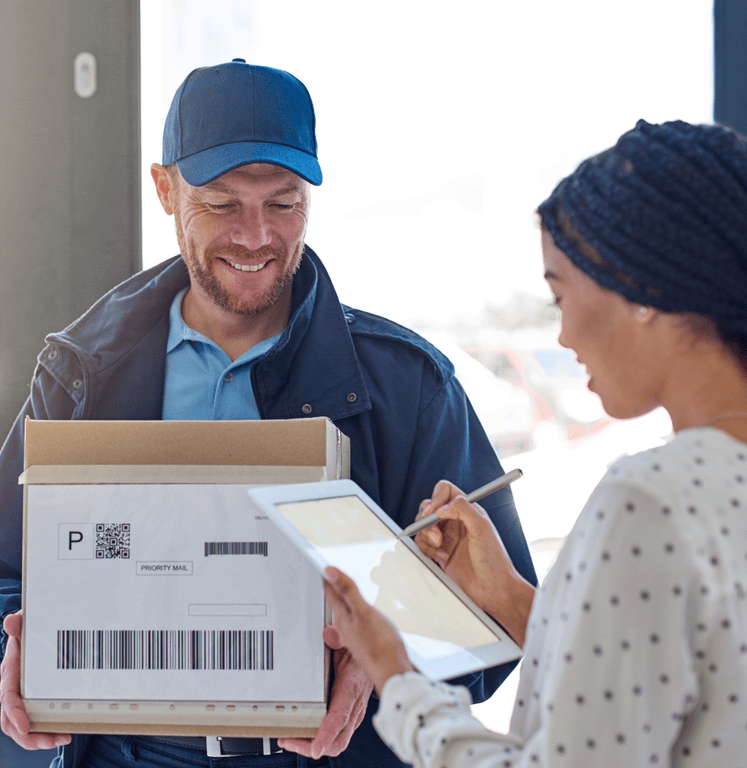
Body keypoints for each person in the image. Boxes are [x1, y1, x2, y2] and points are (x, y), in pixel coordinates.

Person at [0, 60, 537, 768]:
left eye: (283, 204)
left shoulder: (409, 388)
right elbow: (8, 570)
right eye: (222, 205)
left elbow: (493, 635)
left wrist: (382, 663)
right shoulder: (81, 375)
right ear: (165, 189)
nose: (255, 237)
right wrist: (19, 641)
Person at [321, 119, 747, 767]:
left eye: (559, 295)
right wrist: (507, 596)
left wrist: (397, 675)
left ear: (639, 287)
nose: (562, 338)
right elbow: (677, 684)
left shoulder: (651, 500)